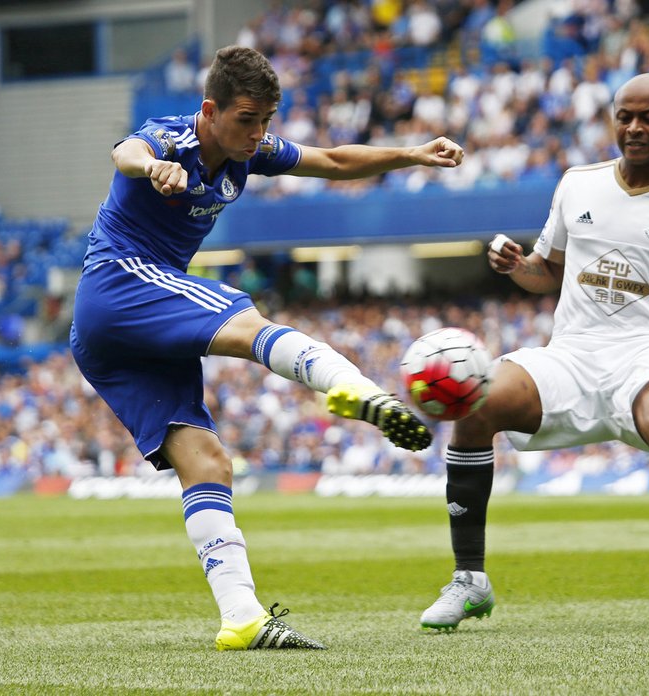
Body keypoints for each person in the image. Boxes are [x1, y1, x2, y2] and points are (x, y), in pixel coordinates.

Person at [69, 45, 464, 651]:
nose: (258, 135)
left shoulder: (247, 152)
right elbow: (127, 151)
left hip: (114, 339)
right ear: (210, 109)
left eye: (266, 122)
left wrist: (410, 153)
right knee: (247, 322)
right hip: (120, 283)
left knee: (207, 464)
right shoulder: (170, 139)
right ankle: (357, 391)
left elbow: (331, 159)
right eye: (247, 120)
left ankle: (243, 618)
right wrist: (152, 169)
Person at [419, 73, 649, 634]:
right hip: (571, 354)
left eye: (648, 118)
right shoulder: (577, 184)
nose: (634, 127)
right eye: (624, 115)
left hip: (645, 357)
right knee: (474, 404)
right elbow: (546, 273)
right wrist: (515, 266)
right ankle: (469, 580)